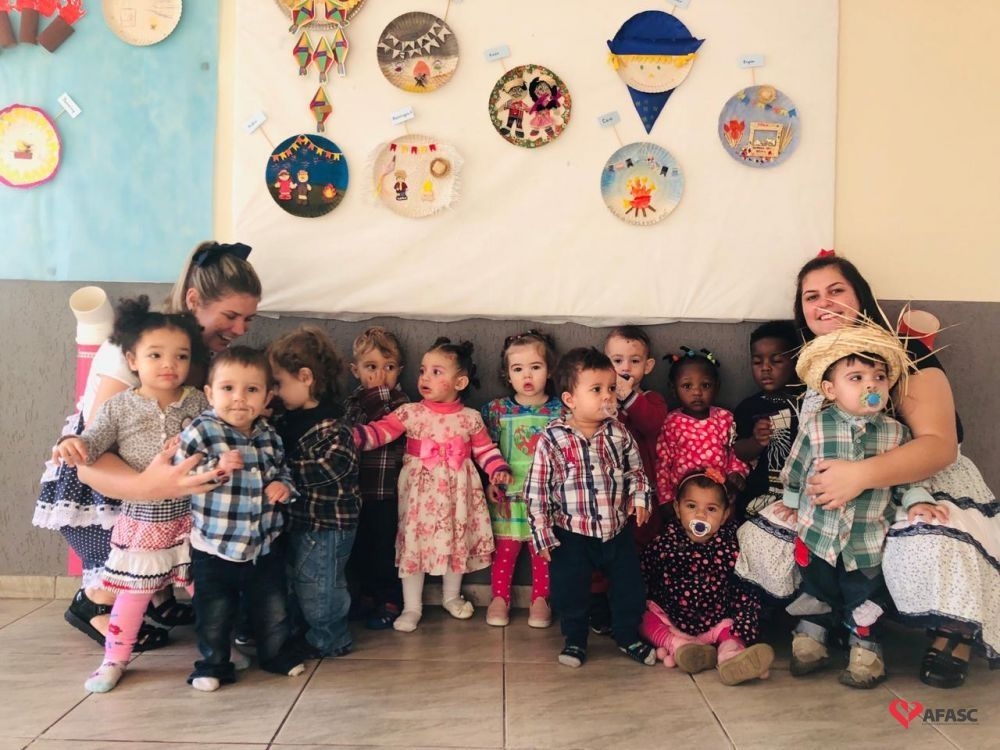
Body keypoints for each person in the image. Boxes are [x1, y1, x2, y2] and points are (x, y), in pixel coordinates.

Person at [740, 253, 999, 689]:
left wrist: (859, 476)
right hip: (833, 490)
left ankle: (951, 630)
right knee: (767, 535)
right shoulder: (814, 370)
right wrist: (798, 496)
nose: (824, 303)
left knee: (924, 538)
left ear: (860, 296)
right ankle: (829, 616)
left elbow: (938, 445)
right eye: (811, 296)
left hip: (915, 478)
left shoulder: (903, 354)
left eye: (836, 290)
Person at [33, 241, 261, 647]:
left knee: (173, 539)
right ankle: (95, 605)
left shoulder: (195, 358)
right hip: (106, 480)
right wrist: (149, 487)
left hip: (161, 480)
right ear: (194, 300)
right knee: (134, 551)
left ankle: (157, 598)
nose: (241, 329)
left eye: (248, 319)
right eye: (230, 316)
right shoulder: (139, 349)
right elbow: (93, 453)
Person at [777, 323, 945, 688]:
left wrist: (917, 501)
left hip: (866, 539)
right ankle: (811, 637)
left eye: (879, 377)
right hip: (817, 535)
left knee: (864, 596)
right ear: (830, 389)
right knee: (816, 589)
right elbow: (796, 467)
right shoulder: (816, 427)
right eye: (856, 378)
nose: (871, 386)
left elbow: (909, 478)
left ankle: (865, 649)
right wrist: (791, 500)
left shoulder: (896, 433)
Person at [54, 297, 207, 692]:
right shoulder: (120, 407)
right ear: (132, 360)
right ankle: (114, 659)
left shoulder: (198, 400)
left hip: (192, 521)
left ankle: (217, 650)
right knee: (131, 598)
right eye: (155, 355)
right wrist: (73, 443)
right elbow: (92, 441)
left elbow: (219, 435)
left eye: (181, 356)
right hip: (142, 524)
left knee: (207, 591)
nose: (169, 364)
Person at [353, 338, 511, 633]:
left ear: (460, 382)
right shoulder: (411, 412)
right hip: (419, 498)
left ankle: (451, 596)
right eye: (423, 371)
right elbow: (381, 431)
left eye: (436, 372)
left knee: (455, 543)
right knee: (413, 546)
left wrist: (497, 470)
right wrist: (353, 436)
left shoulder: (470, 419)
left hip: (457, 497)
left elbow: (485, 450)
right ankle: (412, 606)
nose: (425, 377)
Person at [176, 346, 304, 692]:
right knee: (214, 614)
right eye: (228, 388)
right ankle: (213, 665)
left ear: (267, 397)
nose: (239, 398)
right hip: (214, 548)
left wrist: (283, 487)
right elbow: (179, 475)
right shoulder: (202, 431)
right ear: (209, 393)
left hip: (264, 545)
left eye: (251, 389)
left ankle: (275, 655)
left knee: (273, 609)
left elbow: (284, 471)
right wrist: (215, 468)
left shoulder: (269, 435)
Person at [524, 347, 656, 668]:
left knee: (629, 587)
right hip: (571, 533)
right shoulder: (552, 439)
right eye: (596, 390)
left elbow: (637, 472)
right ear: (570, 399)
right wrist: (542, 534)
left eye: (611, 388)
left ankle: (627, 635)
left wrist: (639, 498)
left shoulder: (619, 433)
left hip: (616, 530)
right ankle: (574, 639)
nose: (608, 396)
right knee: (570, 590)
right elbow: (537, 490)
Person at [269, 326, 360, 659]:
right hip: (300, 520)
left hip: (327, 524)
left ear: (305, 377)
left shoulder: (333, 425)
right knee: (299, 579)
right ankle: (305, 630)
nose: (274, 392)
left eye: (278, 383)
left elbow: (329, 468)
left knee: (319, 585)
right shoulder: (286, 419)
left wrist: (279, 474)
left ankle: (330, 637)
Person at [639, 468, 774, 686]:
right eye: (691, 506)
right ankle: (680, 646)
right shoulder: (663, 544)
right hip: (673, 621)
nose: (700, 516)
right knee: (642, 616)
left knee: (736, 622)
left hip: (717, 623)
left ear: (725, 515)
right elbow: (643, 579)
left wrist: (744, 619)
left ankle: (731, 654)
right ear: (677, 509)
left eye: (711, 509)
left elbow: (743, 590)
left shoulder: (731, 548)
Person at [587, 325, 669, 634]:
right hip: (605, 495)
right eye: (617, 360)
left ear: (648, 366)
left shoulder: (651, 400)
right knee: (600, 548)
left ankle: (639, 603)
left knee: (640, 548)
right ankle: (598, 602)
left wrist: (630, 396)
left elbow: (652, 424)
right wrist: (610, 398)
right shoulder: (600, 400)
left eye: (634, 361)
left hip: (641, 496)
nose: (625, 368)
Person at [481, 330, 562, 629]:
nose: (527, 375)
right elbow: (485, 449)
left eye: (535, 367)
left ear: (549, 370)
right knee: (505, 549)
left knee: (543, 549)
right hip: (509, 494)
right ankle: (499, 597)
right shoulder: (497, 410)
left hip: (546, 496)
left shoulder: (561, 410)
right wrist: (491, 480)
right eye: (518, 369)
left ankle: (541, 598)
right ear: (507, 374)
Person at [343, 326, 409, 630]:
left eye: (389, 367)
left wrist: (376, 392)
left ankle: (390, 599)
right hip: (357, 491)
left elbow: (382, 417)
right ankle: (367, 595)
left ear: (400, 371)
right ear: (355, 370)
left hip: (387, 491)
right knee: (360, 548)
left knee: (385, 549)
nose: (380, 376)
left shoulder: (399, 403)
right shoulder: (352, 403)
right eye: (371, 367)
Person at [654, 347, 748, 506]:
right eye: (687, 386)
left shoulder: (724, 418)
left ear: (717, 387)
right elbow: (663, 462)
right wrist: (666, 498)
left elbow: (736, 450)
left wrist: (737, 472)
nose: (697, 392)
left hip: (720, 496)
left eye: (705, 385)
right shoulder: (671, 422)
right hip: (683, 499)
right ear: (673, 389)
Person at [732, 321, 801, 521]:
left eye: (776, 360)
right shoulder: (749, 407)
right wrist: (756, 441)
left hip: (802, 495)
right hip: (760, 495)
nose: (765, 368)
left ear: (796, 360)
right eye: (757, 362)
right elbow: (740, 452)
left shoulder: (807, 403)